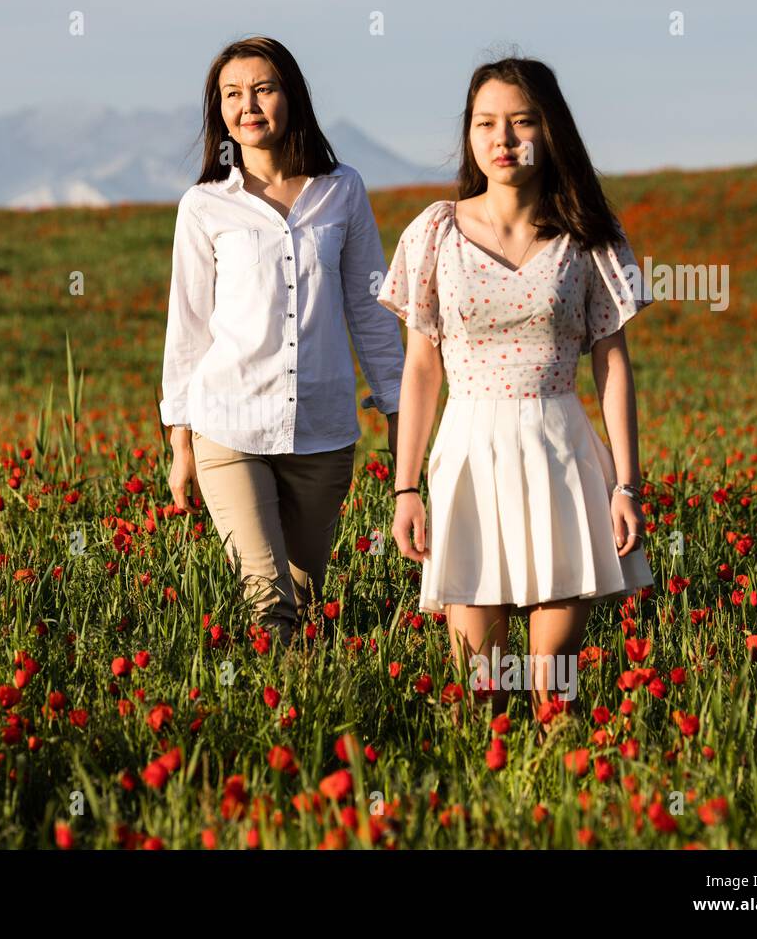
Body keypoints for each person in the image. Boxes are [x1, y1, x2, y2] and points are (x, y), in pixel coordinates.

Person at [380, 56, 654, 733]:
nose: (503, 138)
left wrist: (628, 486)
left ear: (549, 131)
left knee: (551, 686)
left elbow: (612, 364)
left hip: (561, 456)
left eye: (521, 122)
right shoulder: (434, 233)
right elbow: (420, 369)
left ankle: (562, 798)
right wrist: (405, 488)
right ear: (470, 136)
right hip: (469, 457)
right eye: (485, 123)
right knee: (481, 685)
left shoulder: (590, 236)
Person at [160, 36, 405, 649]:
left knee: (304, 594)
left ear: (291, 96)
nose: (249, 106)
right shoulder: (203, 206)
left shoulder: (342, 190)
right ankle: (275, 732)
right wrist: (180, 442)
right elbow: (187, 326)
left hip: (322, 432)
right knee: (268, 604)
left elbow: (370, 308)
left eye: (263, 89)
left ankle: (309, 713)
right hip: (228, 425)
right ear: (218, 110)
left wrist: (399, 406)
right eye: (232, 95)